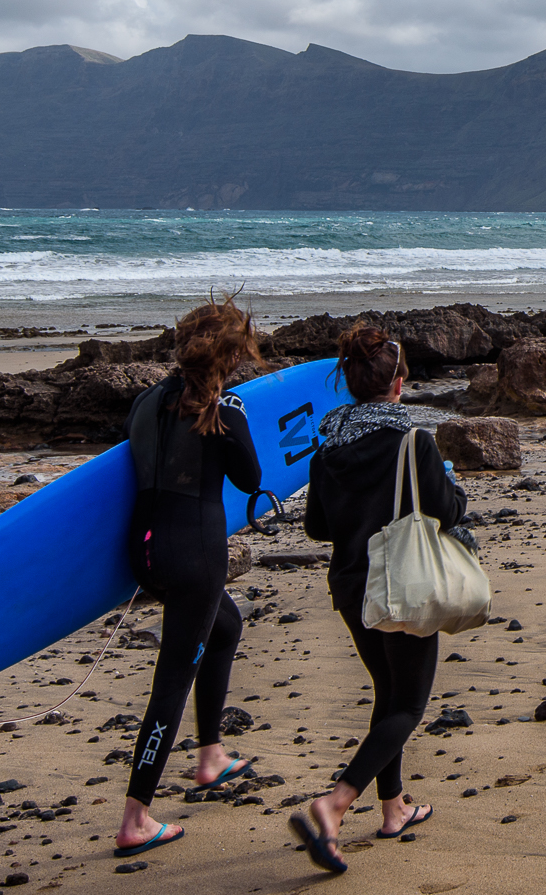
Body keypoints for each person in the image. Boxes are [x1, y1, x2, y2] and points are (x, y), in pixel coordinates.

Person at [287, 324, 468, 875]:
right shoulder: (413, 442)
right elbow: (448, 511)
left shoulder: (327, 446)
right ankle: (334, 804)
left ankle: (394, 809)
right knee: (408, 706)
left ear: (352, 383)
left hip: (350, 586)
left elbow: (318, 527)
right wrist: (452, 484)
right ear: (399, 384)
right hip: (402, 585)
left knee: (388, 694)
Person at [115, 298, 265, 857]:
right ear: (228, 356)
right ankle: (136, 818)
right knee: (172, 682)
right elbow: (250, 478)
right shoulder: (226, 410)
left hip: (144, 551)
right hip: (195, 557)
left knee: (224, 628)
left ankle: (211, 755)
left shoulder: (146, 401)